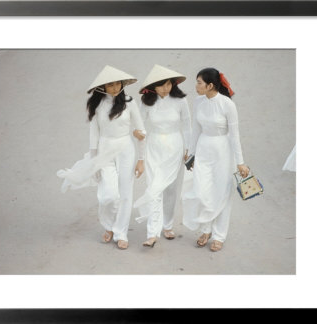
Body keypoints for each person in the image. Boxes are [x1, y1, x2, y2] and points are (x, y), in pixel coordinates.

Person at [57, 65, 146, 250]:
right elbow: (94, 135)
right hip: (105, 149)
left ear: (122, 84)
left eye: (117, 84)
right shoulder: (97, 105)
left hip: (126, 149)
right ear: (102, 87)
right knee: (109, 196)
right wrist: (93, 161)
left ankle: (120, 232)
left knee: (125, 193)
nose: (114, 88)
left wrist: (141, 159)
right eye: (110, 85)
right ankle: (109, 225)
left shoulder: (129, 102)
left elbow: (141, 131)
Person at [182, 68, 249, 252]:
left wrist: (240, 162)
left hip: (223, 151)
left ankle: (219, 235)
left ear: (210, 85)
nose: (196, 86)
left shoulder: (227, 104)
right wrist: (191, 154)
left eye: (199, 83)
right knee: (202, 191)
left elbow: (235, 136)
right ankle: (206, 229)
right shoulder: (197, 101)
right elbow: (196, 129)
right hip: (203, 149)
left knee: (222, 193)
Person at [133, 64, 191, 248]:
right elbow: (140, 128)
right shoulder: (146, 102)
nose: (166, 89)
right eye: (161, 85)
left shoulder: (181, 101)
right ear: (153, 87)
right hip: (154, 147)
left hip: (175, 147)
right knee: (154, 188)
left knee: (172, 190)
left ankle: (167, 225)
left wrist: (188, 149)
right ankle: (152, 233)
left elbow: (188, 126)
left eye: (168, 84)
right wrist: (140, 153)